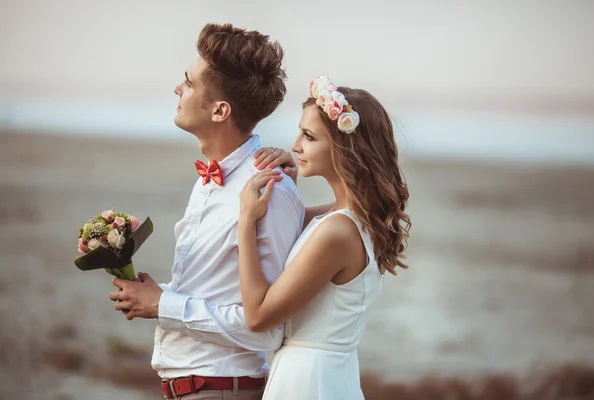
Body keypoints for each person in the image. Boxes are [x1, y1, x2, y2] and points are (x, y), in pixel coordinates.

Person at [108, 23, 304, 400]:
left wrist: (164, 304)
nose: (177, 89)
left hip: (220, 389)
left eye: (189, 83)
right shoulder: (209, 181)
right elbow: (217, 293)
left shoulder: (269, 191)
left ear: (220, 110)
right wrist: (150, 295)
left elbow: (267, 329)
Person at [237, 76, 411, 399]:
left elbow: (257, 315)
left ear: (344, 148)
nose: (295, 145)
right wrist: (290, 185)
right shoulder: (345, 219)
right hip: (325, 374)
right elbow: (296, 226)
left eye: (309, 136)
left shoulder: (338, 231)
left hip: (309, 381)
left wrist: (245, 222)